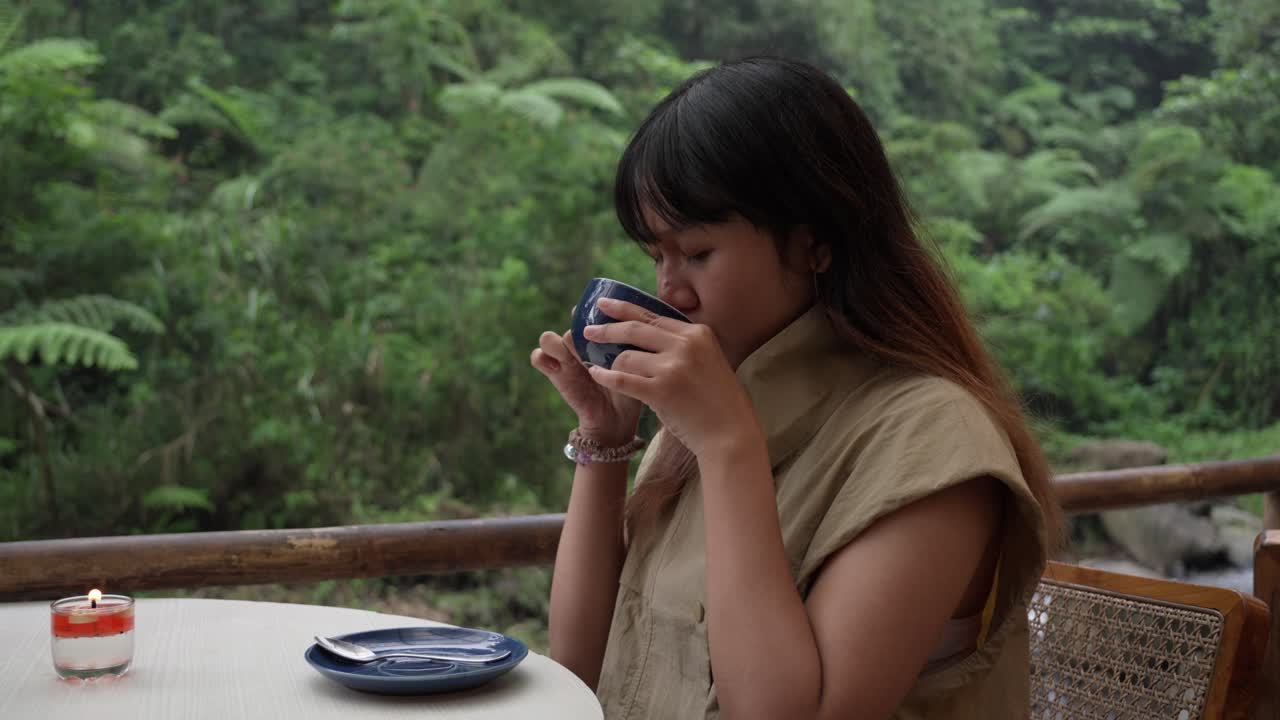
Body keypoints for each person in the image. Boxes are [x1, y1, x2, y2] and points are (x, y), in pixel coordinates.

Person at [529, 56, 1062, 720]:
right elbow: (580, 666)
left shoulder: (932, 441)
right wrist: (607, 442)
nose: (669, 289)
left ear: (814, 244)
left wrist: (729, 448)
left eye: (696, 253)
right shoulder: (715, 409)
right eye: (655, 256)